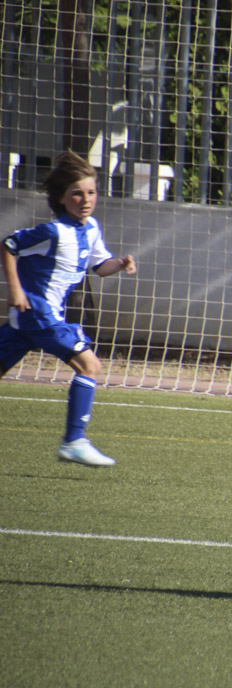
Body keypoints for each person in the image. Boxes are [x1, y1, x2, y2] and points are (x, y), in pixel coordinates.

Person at [1, 151, 137, 467]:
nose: (85, 199)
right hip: (38, 313)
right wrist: (16, 289)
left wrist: (119, 264)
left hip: (35, 319)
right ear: (62, 198)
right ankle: (74, 441)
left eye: (91, 192)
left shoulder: (90, 228)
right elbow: (9, 246)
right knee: (90, 366)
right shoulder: (53, 232)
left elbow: (98, 265)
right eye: (77, 193)